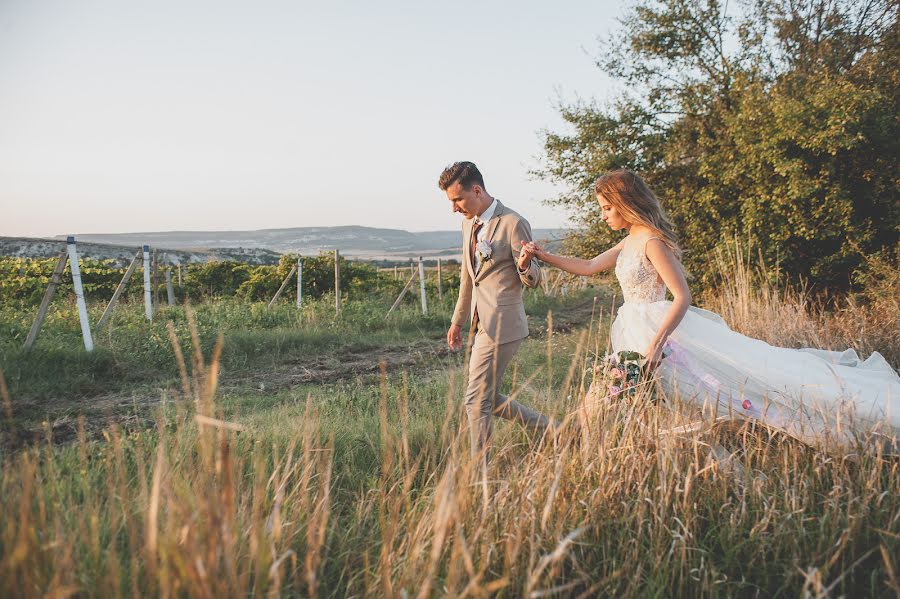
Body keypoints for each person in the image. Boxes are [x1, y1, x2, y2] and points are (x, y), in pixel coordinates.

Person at [521, 169, 900, 451]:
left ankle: (570, 440)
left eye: (607, 208)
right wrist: (542, 255)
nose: (603, 215)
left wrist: (656, 344)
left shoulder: (652, 242)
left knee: (729, 383)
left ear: (624, 204)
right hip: (633, 329)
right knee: (618, 395)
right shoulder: (628, 242)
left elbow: (682, 295)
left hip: (656, 331)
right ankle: (579, 443)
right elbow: (588, 266)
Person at [440, 161, 554, 460]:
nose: (454, 208)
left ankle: (480, 474)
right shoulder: (468, 224)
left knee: (475, 401)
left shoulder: (513, 222)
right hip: (480, 324)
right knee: (488, 397)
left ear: (476, 190)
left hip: (503, 323)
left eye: (457, 200)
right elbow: (469, 278)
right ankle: (555, 431)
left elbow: (534, 278)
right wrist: (457, 322)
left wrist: (526, 264)